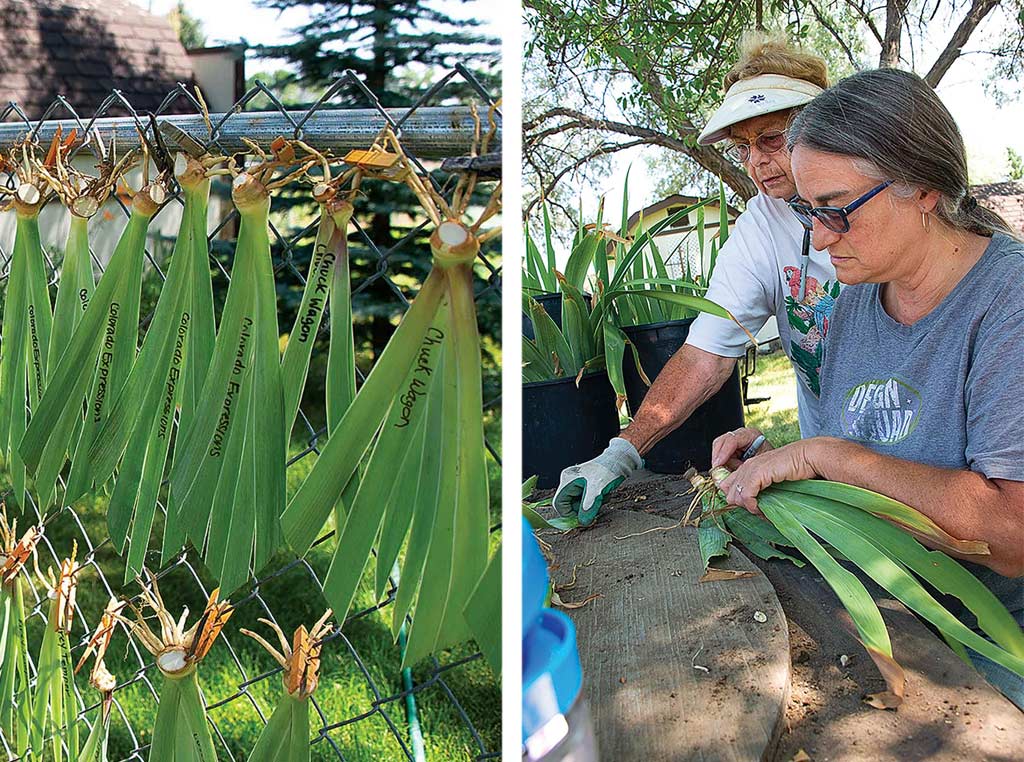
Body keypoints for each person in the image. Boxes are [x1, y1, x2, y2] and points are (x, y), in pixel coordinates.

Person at [712, 67, 1024, 708]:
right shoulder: (858, 299)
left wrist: (828, 458)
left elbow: (1012, 537)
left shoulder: (1006, 308)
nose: (820, 240)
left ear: (925, 189)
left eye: (836, 212)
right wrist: (782, 467)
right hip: (891, 622)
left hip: (994, 648)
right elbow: (860, 448)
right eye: (807, 211)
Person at [554, 31, 839, 524]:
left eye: (771, 139)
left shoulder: (883, 212)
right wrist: (622, 450)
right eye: (743, 147)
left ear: (824, 127)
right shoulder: (762, 226)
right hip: (834, 481)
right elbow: (705, 354)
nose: (755, 162)